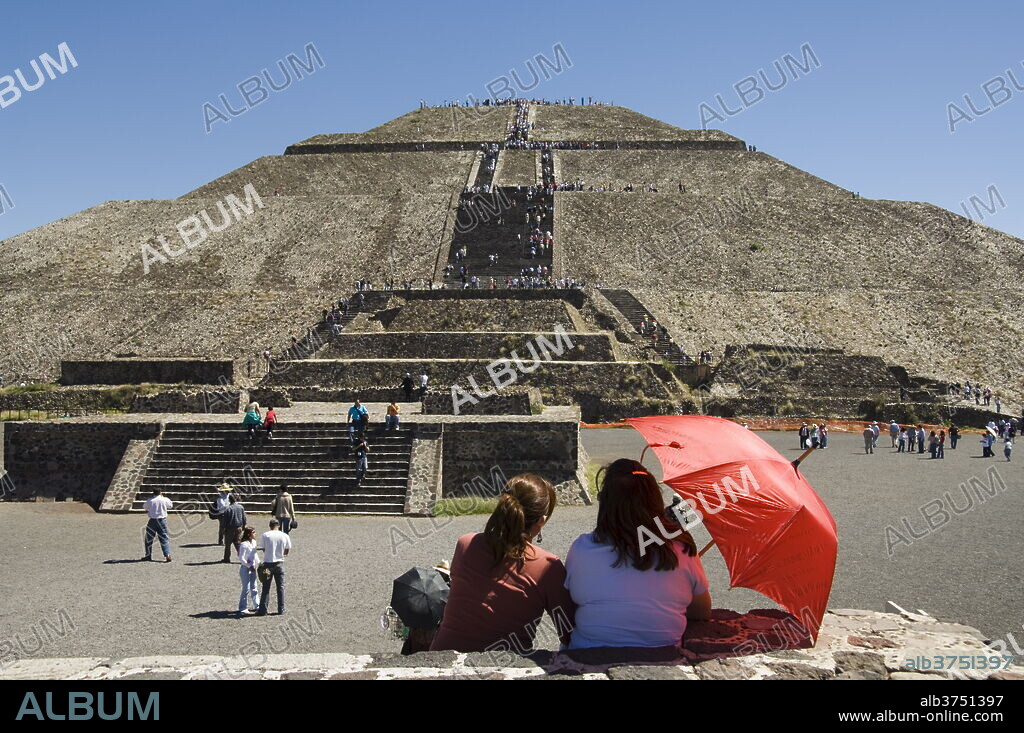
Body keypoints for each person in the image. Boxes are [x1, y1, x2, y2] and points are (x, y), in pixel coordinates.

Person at [564, 459, 711, 649]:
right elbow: (702, 611)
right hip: (663, 654)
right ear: (656, 501)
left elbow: (570, 608)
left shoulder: (582, 549)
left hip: (588, 652)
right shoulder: (681, 548)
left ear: (606, 504)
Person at [430, 473, 574, 653]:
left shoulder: (465, 544)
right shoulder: (548, 566)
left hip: (442, 659)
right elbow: (569, 632)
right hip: (500, 666)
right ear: (541, 521)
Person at [256, 519, 291, 616]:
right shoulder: (284, 535)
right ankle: (281, 609)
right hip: (279, 563)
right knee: (281, 587)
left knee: (266, 587)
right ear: (279, 525)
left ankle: (263, 609)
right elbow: (287, 549)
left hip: (268, 563)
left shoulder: (265, 535)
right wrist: (282, 555)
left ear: (270, 526)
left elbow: (263, 548)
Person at [143, 489, 173, 562]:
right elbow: (170, 506)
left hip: (152, 520)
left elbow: (145, 507)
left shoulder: (150, 500)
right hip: (162, 520)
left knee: (149, 539)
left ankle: (148, 555)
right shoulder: (165, 499)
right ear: (160, 492)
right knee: (164, 538)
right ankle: (167, 554)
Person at [237, 526, 261, 616]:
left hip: (253, 568)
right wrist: (248, 565)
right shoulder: (244, 544)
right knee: (246, 588)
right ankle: (243, 607)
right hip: (245, 569)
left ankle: (257, 605)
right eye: (253, 532)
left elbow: (255, 555)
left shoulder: (254, 542)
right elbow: (241, 558)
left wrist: (259, 563)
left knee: (254, 587)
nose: (255, 534)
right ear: (249, 534)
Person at [220, 494, 247, 563]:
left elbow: (224, 521)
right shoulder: (241, 507)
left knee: (228, 545)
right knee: (238, 543)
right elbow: (244, 518)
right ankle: (243, 558)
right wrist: (244, 526)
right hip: (239, 528)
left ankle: (226, 558)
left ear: (229, 500)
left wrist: (223, 530)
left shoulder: (228, 508)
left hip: (230, 529)